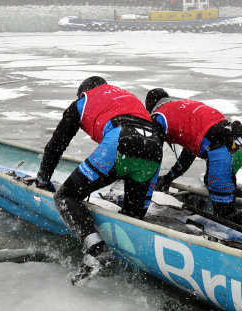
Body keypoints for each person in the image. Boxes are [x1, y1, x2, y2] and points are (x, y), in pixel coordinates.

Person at [36, 77, 164, 285]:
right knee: (132, 218)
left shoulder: (84, 100)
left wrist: (42, 179)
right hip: (154, 148)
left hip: (121, 140)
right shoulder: (125, 95)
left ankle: (96, 250)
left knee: (66, 196)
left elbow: (56, 145)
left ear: (84, 91)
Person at [145, 88, 242, 240]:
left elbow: (152, 155)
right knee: (213, 183)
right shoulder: (181, 107)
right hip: (239, 145)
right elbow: (188, 155)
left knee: (224, 214)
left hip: (222, 151)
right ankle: (235, 198)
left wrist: (149, 183)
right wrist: (169, 178)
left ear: (150, 107)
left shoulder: (158, 117)